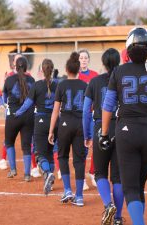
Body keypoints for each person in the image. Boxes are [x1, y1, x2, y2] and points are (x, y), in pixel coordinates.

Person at [100, 27, 147, 225]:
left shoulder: (119, 72)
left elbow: (108, 105)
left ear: (128, 49)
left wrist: (104, 134)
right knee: (139, 186)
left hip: (126, 132)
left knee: (130, 188)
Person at [83, 48, 124, 225]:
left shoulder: (94, 81)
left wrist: (87, 135)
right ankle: (118, 218)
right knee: (118, 176)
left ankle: (108, 205)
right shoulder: (124, 80)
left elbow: (86, 111)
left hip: (101, 126)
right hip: (121, 128)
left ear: (103, 63)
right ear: (119, 62)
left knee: (100, 172)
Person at [48, 52, 87, 207]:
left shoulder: (61, 85)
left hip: (64, 124)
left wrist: (51, 130)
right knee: (79, 160)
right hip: (79, 125)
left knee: (62, 156)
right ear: (79, 69)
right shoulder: (85, 85)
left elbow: (55, 110)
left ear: (66, 69)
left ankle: (67, 190)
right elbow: (87, 110)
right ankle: (79, 196)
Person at [15, 58, 58, 194]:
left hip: (40, 121)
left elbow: (27, 103)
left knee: (39, 153)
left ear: (41, 70)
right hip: (54, 121)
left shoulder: (37, 85)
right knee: (50, 152)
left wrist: (18, 112)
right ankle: (49, 181)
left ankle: (46, 172)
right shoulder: (57, 85)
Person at [3, 56, 35, 181]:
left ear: (15, 67)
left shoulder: (9, 80)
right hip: (28, 115)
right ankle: (27, 174)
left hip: (13, 116)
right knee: (26, 145)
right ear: (27, 67)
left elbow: (5, 97)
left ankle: (13, 169)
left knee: (9, 142)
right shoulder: (32, 80)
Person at [78, 48, 98, 190]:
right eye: (81, 58)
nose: (83, 60)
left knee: (96, 145)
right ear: (78, 60)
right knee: (82, 148)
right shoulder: (75, 76)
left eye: (86, 58)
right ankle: (82, 179)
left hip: (92, 115)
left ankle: (93, 173)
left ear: (89, 60)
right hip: (79, 116)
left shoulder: (94, 76)